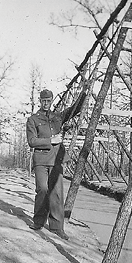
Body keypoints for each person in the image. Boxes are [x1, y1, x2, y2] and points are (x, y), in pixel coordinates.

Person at [26, 83, 87, 240]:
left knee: (57, 193)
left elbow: (76, 108)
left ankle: (57, 227)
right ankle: (38, 221)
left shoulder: (57, 117)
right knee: (43, 189)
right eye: (43, 100)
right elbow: (32, 141)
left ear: (52, 101)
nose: (46, 103)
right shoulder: (33, 120)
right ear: (40, 101)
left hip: (56, 160)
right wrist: (51, 140)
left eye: (48, 100)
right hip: (40, 159)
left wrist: (84, 91)